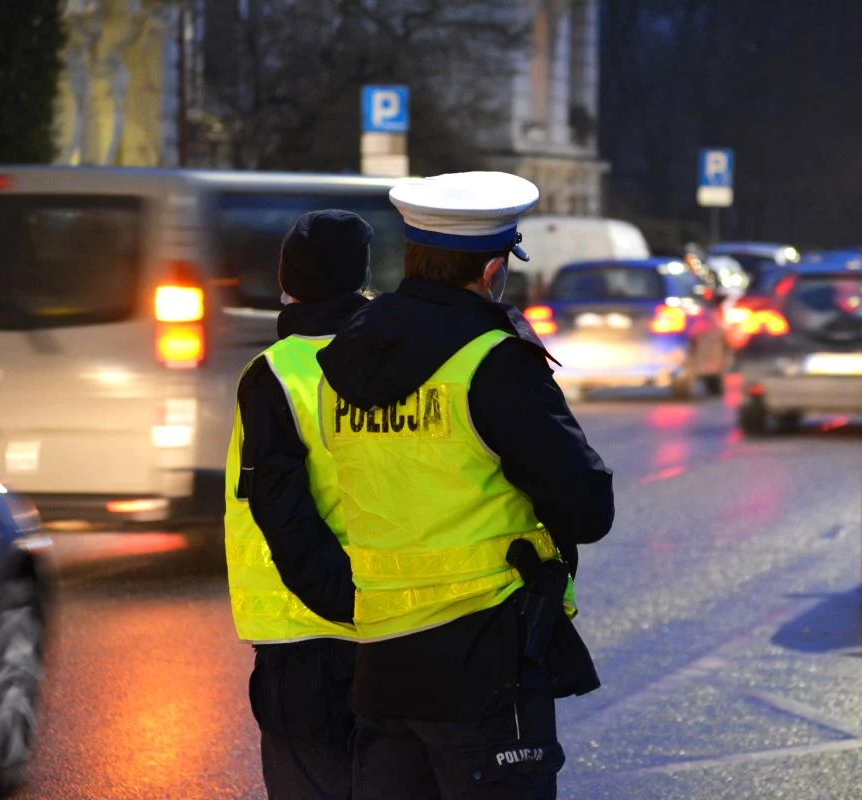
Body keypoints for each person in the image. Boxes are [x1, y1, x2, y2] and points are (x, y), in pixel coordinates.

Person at [316, 172, 614, 799]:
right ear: (489, 272)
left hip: (379, 659)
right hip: (483, 660)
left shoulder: (340, 363)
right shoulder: (493, 362)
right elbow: (588, 507)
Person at [224, 209, 376, 800]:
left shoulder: (275, 373)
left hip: (307, 637)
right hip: (400, 623)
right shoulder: (395, 357)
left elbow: (282, 511)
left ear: (288, 282)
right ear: (360, 278)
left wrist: (345, 604)